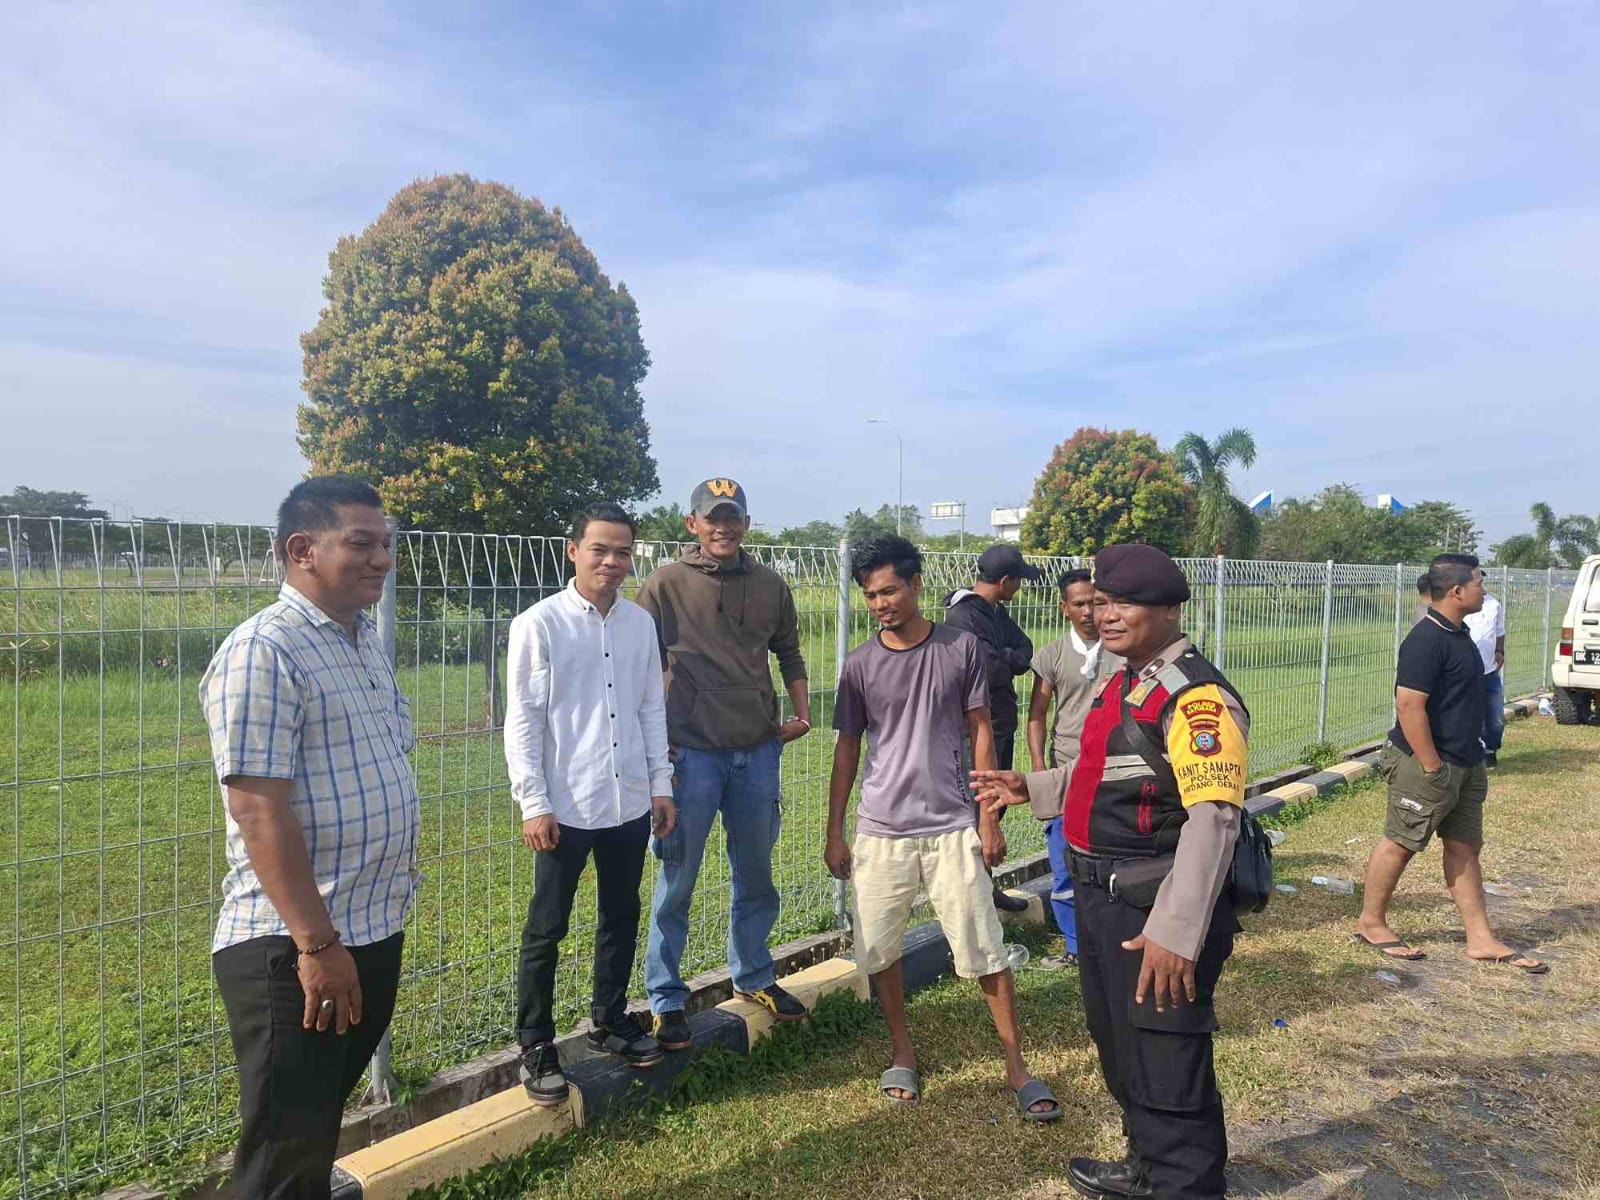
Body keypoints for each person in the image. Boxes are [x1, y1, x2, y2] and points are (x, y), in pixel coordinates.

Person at [975, 544, 1247, 1200]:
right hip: (1103, 899)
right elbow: (1098, 772)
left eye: (1125, 603)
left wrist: (1176, 933)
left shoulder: (1196, 699)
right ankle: (1146, 1165)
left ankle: (1184, 1184)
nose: (1108, 615)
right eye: (1101, 603)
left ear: (1169, 610)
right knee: (1121, 1042)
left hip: (1152, 907)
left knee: (1166, 1051)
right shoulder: (1127, 681)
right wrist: (1030, 786)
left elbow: (1214, 821)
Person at [201, 476, 418, 1199]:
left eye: (385, 543)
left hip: (366, 927)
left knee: (311, 1130)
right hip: (297, 946)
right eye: (361, 543)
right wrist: (317, 945)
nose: (382, 559)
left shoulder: (359, 644)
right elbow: (259, 811)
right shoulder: (264, 650)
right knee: (283, 1157)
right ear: (301, 550)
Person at [826, 536, 1061, 1121]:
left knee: (984, 947)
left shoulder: (961, 649)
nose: (881, 603)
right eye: (870, 594)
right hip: (881, 830)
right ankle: (902, 1052)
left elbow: (981, 729)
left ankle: (1016, 1066)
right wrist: (835, 830)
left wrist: (986, 815)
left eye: (890, 590)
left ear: (916, 586)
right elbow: (847, 750)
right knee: (880, 949)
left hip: (953, 825)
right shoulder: (858, 665)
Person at [504, 503, 678, 1104]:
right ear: (572, 549)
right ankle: (535, 1041)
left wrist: (661, 785)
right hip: (564, 803)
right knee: (546, 927)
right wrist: (533, 801)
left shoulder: (639, 625)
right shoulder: (540, 624)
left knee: (620, 915)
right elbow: (522, 721)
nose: (611, 562)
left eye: (623, 552)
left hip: (627, 799)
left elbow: (651, 708)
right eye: (600, 549)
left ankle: (608, 1018)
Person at [639, 478, 813, 1048]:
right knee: (677, 879)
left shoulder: (768, 584)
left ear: (745, 522)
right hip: (689, 755)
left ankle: (755, 974)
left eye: (732, 516)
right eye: (711, 517)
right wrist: (650, 741)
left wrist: (802, 710)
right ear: (691, 524)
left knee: (756, 873)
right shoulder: (664, 584)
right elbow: (640, 664)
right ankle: (666, 998)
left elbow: (788, 648)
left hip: (757, 750)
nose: (723, 527)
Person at [1355, 554, 1546, 972]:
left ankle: (1480, 938)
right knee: (1401, 842)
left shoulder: (1460, 634)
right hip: (1427, 762)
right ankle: (1371, 922)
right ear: (1456, 591)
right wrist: (1430, 766)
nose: (1484, 589)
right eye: (1479, 582)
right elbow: (1409, 705)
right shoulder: (1426, 640)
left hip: (1466, 760)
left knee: (1464, 848)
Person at [1026, 568, 1124, 964]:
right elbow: (1037, 715)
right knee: (1065, 865)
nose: (1088, 612)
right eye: (1079, 603)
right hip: (1066, 774)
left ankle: (1115, 939)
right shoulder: (1051, 655)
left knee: (1115, 863)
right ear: (1064, 607)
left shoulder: (1123, 650)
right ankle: (1075, 947)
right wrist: (1039, 771)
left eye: (1096, 602)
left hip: (1116, 773)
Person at [945, 543, 1041, 913]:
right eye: (1018, 582)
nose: (1018, 589)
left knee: (994, 808)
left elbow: (1025, 647)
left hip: (1000, 723)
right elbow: (987, 667)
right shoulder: (963, 616)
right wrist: (1008, 659)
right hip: (975, 729)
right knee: (976, 811)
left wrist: (1007, 658)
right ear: (1004, 581)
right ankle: (969, 900)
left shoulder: (993, 611)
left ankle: (985, 888)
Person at [1464, 582, 1507, 768]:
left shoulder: (1493, 604)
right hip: (1465, 671)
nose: (1479, 586)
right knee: (1469, 715)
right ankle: (1471, 753)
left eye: (1480, 582)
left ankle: (1490, 751)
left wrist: (1499, 650)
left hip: (1489, 670)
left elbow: (1500, 631)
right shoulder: (1462, 605)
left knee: (1495, 716)